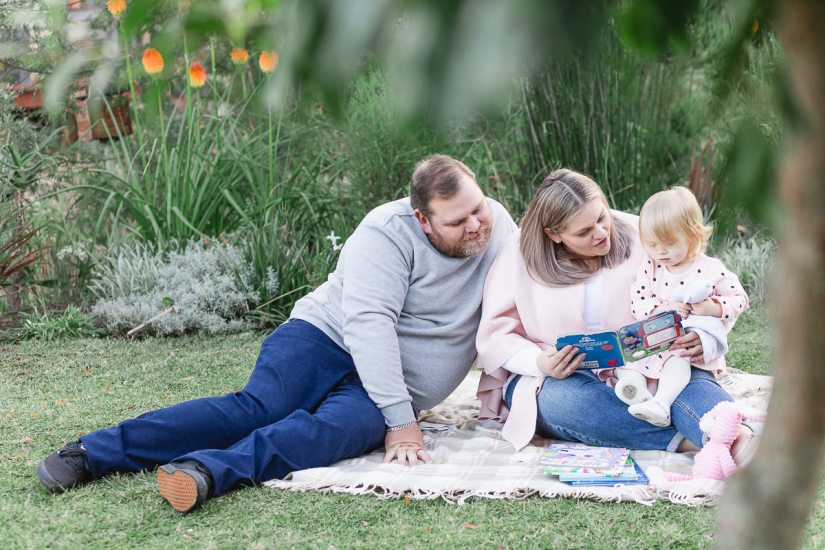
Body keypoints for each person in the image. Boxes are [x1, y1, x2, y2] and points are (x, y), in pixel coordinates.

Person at [36, 155, 517, 513]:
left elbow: (520, 301)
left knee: (338, 431)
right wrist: (400, 419)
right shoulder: (385, 232)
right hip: (326, 338)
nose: (477, 225)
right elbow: (370, 325)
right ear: (423, 219)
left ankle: (202, 472)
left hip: (397, 381)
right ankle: (91, 453)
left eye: (478, 208)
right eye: (458, 221)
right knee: (259, 408)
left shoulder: (498, 228)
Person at [475, 169, 757, 462]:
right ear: (553, 234)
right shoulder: (518, 254)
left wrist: (703, 334)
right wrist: (539, 363)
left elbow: (710, 284)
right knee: (563, 402)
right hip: (560, 378)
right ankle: (688, 439)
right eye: (584, 232)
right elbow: (496, 337)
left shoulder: (645, 235)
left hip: (654, 363)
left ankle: (738, 439)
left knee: (688, 384)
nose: (601, 233)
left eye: (601, 218)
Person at [611, 186, 749, 427]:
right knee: (626, 362)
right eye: (652, 244)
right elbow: (638, 299)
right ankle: (638, 391)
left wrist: (713, 307)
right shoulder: (650, 266)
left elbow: (740, 299)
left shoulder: (709, 268)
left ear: (693, 236)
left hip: (683, 347)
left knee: (678, 361)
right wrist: (657, 310)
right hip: (654, 342)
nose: (660, 251)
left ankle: (661, 405)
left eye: (669, 243)